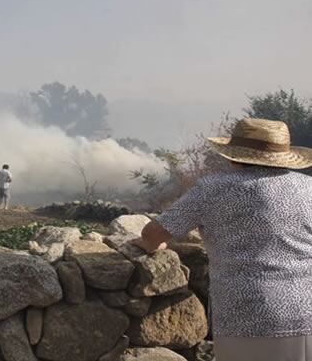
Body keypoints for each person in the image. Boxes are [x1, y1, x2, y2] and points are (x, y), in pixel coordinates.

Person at [132, 118, 312, 361]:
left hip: (246, 314)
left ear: (233, 155)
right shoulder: (307, 187)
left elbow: (153, 234)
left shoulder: (215, 189)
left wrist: (153, 245)